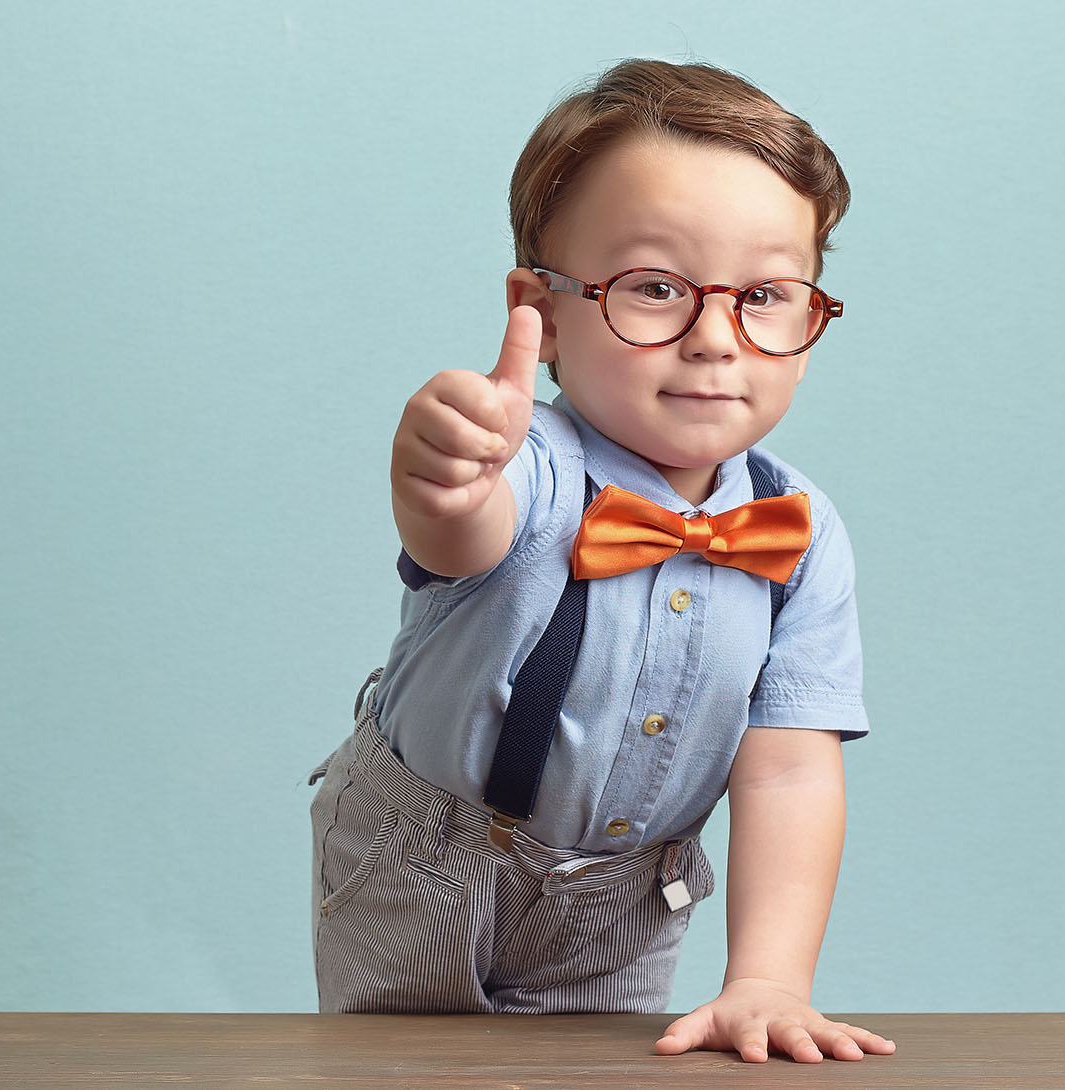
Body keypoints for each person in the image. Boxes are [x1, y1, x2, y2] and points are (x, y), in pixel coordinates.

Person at [306, 58, 895, 1065]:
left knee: (601, 1074)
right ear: (541, 314)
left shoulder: (798, 532)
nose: (716, 339)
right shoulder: (527, 463)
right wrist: (444, 477)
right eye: (655, 288)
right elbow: (462, 528)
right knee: (398, 1073)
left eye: (764, 295)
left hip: (622, 896)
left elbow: (790, 773)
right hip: (420, 861)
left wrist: (767, 980)